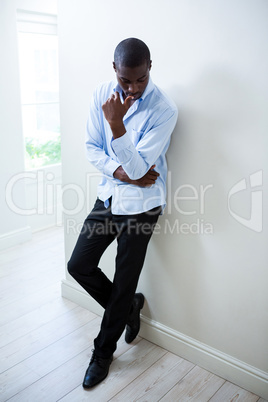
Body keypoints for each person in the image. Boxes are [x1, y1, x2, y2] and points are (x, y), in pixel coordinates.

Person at [67, 37, 178, 388]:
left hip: (143, 207)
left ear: (150, 67)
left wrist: (116, 125)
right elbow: (92, 148)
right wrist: (120, 172)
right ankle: (129, 307)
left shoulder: (164, 109)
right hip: (110, 196)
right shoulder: (101, 92)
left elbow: (141, 165)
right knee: (78, 265)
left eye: (141, 79)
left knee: (124, 278)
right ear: (114, 69)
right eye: (125, 80)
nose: (133, 88)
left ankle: (103, 353)